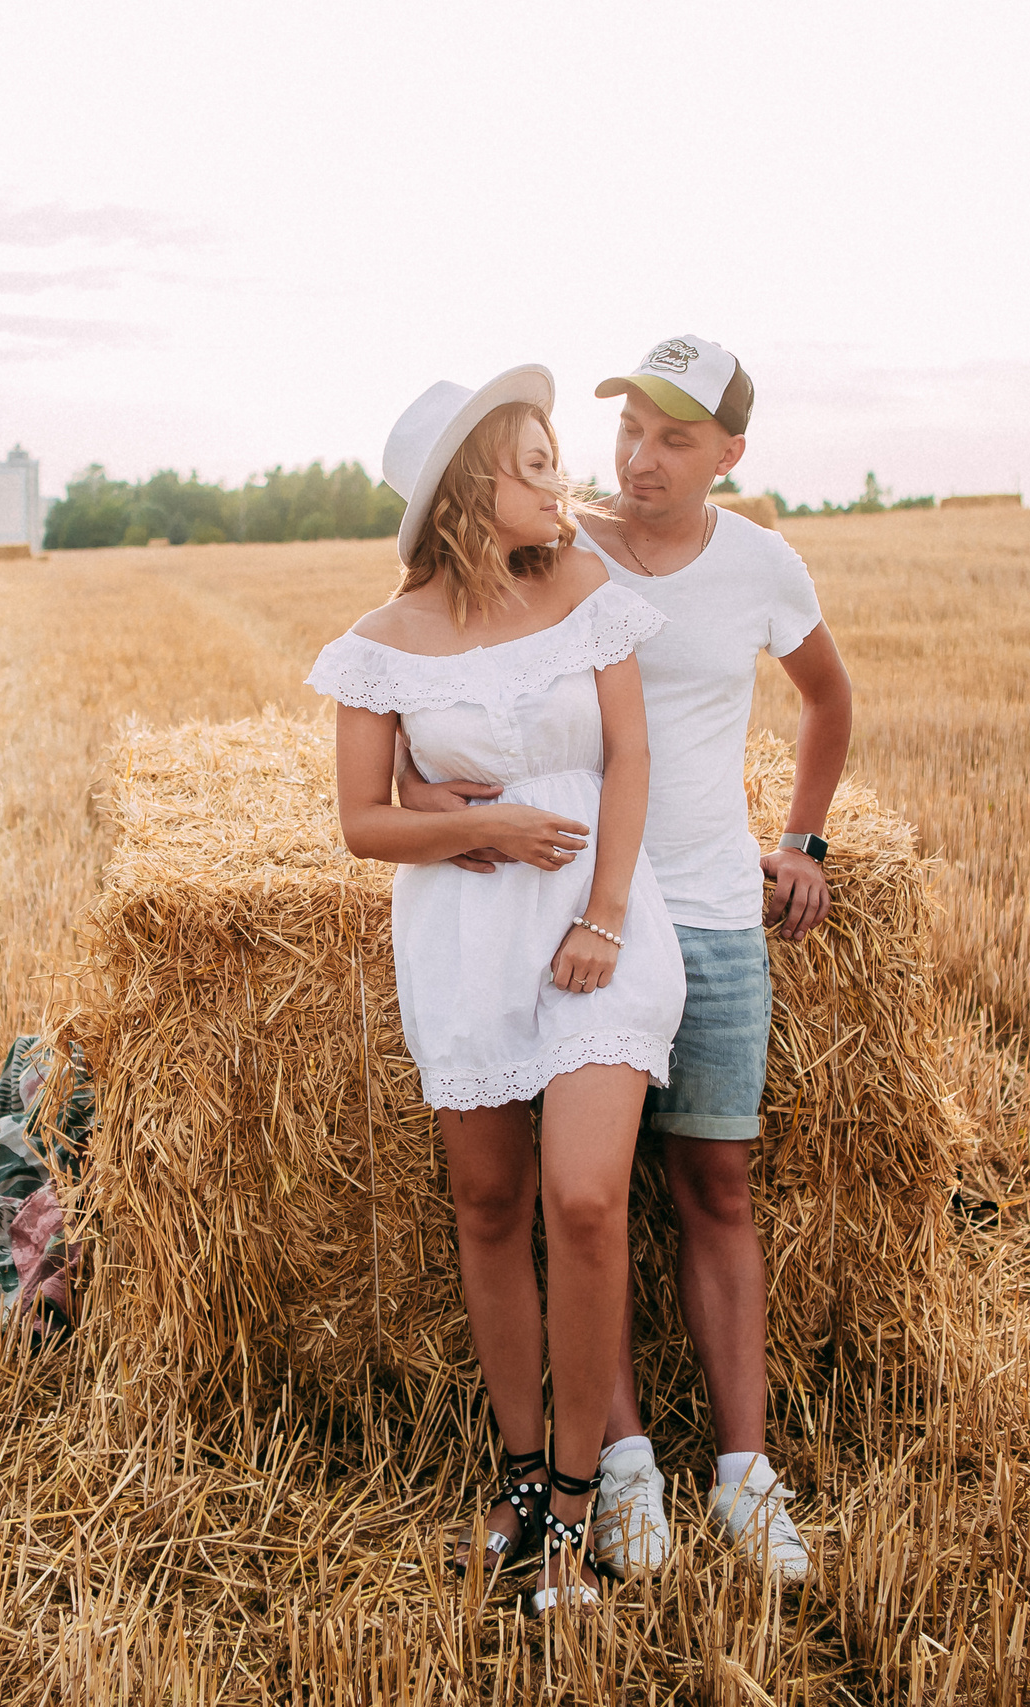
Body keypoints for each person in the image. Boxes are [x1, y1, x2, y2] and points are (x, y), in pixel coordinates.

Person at [398, 335, 853, 1585]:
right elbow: (435, 664)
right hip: (565, 912)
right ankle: (624, 1464)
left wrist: (803, 840)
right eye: (628, 431)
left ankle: (746, 1475)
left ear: (728, 454)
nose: (639, 458)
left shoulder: (762, 564)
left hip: (708, 911)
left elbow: (827, 698)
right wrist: (421, 793)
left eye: (673, 439)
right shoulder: (553, 547)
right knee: (581, 1203)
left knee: (715, 1187)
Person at [307, 366, 684, 1616]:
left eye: (551, 457)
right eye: (530, 463)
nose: (556, 480)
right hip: (464, 936)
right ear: (469, 488)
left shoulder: (582, 588)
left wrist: (603, 914)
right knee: (485, 1205)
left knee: (582, 1197)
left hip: (598, 926)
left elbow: (630, 756)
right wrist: (466, 826)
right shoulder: (378, 644)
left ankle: (577, 1500)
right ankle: (520, 1475)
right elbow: (362, 821)